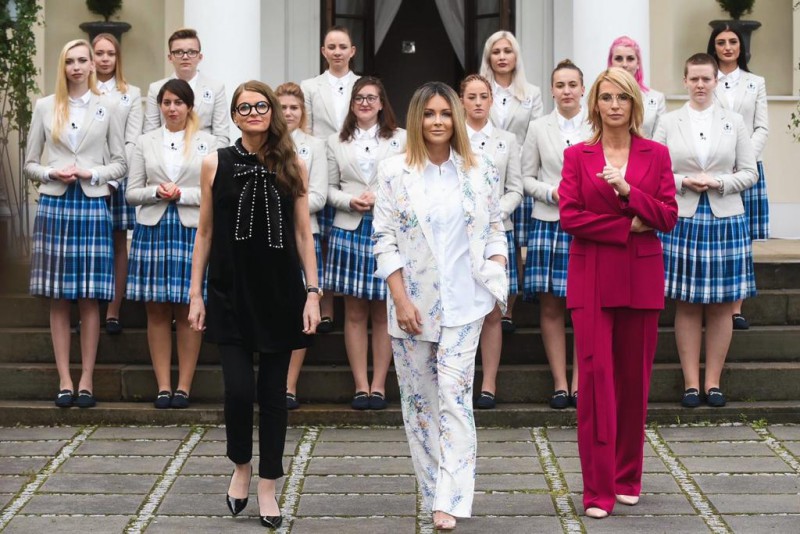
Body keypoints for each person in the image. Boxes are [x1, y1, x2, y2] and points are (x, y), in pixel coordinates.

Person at [372, 81, 508, 530]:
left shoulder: (480, 169)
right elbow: (384, 239)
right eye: (429, 113)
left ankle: (451, 497)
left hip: (466, 303)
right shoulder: (393, 171)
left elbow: (494, 227)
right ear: (417, 118)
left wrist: (495, 270)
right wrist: (400, 299)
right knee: (420, 406)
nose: (437, 121)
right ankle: (434, 493)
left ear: (457, 118)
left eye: (445, 113)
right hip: (412, 306)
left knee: (454, 398)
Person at [188, 80, 320, 529]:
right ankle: (241, 464)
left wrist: (313, 293)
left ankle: (268, 483)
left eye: (260, 105)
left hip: (281, 293)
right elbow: (205, 232)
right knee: (239, 390)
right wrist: (195, 293)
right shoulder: (214, 162)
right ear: (234, 116)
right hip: (229, 291)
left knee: (274, 394)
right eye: (244, 108)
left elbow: (303, 233)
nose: (254, 113)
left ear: (272, 111)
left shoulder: (294, 163)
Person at [558, 67, 678, 518]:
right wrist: (626, 226)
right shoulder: (578, 156)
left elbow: (667, 215)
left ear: (634, 104)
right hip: (591, 277)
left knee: (634, 381)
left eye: (622, 98)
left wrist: (629, 192)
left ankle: (627, 477)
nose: (614, 105)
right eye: (606, 97)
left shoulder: (656, 154)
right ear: (595, 104)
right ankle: (597, 490)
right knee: (594, 381)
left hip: (641, 278)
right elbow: (570, 216)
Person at [24, 39, 127, 408]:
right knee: (58, 296)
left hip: (92, 202)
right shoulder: (45, 106)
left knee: (88, 296)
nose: (78, 67)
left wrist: (92, 173)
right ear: (63, 66)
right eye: (71, 61)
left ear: (92, 65)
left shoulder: (109, 106)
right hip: (55, 203)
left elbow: (120, 163)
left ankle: (86, 379)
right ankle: (64, 379)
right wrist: (52, 172)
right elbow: (30, 163)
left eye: (83, 60)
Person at [653, 54, 757, 410]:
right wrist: (683, 181)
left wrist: (719, 182)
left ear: (716, 81)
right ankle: (690, 384)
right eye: (694, 79)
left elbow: (750, 172)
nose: (700, 85)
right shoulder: (668, 122)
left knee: (722, 305)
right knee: (686, 303)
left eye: (706, 79)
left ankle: (713, 382)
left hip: (725, 217)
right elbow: (656, 170)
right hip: (682, 216)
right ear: (685, 81)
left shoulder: (734, 122)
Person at [126, 79, 216, 409]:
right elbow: (131, 192)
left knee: (188, 307)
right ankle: (163, 385)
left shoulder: (208, 142)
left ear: (190, 106)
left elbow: (214, 190)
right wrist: (156, 192)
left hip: (191, 229)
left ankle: (184, 387)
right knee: (156, 308)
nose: (172, 108)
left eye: (179, 102)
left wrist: (182, 194)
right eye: (167, 102)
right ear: (160, 106)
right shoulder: (145, 141)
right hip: (153, 229)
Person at [326, 76, 406, 410]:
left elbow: (410, 182)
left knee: (384, 310)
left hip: (389, 229)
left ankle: (379, 385)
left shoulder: (401, 138)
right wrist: (349, 200)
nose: (365, 103)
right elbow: (327, 188)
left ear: (382, 103)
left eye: (371, 97)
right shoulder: (335, 141)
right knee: (355, 311)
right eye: (359, 98)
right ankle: (361, 385)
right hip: (350, 227)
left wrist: (383, 199)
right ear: (352, 103)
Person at [521, 59, 591, 410]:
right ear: (551, 90)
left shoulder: (596, 124)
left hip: (588, 224)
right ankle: (560, 383)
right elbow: (525, 177)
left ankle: (580, 383)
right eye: (560, 85)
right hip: (549, 220)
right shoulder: (538, 127)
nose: (566, 91)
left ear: (583, 88)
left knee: (583, 304)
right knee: (551, 305)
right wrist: (552, 192)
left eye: (572, 85)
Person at [459, 74, 522, 410]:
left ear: (492, 100)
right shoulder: (452, 137)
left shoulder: (507, 140)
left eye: (484, 96)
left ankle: (489, 383)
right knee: (462, 307)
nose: (478, 102)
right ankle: (462, 379)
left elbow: (515, 188)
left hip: (497, 231)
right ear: (462, 101)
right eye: (472, 96)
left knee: (494, 310)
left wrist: (495, 212)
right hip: (459, 233)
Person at [480, 30, 543, 332]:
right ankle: (489, 301)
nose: (502, 57)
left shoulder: (532, 93)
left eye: (507, 51)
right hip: (487, 172)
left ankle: (509, 308)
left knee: (516, 242)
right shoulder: (479, 89)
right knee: (492, 240)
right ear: (489, 57)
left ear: (516, 56)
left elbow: (535, 133)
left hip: (519, 173)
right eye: (496, 52)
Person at [708, 24, 769, 330]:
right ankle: (711, 301)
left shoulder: (756, 82)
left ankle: (736, 308)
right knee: (716, 235)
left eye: (733, 41)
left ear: (741, 47)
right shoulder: (706, 79)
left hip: (745, 169)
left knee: (741, 238)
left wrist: (742, 159)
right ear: (713, 46)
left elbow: (762, 127)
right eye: (721, 42)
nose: (728, 47)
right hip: (714, 167)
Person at [301, 25, 360, 333]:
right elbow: (307, 127)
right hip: (321, 163)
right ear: (324, 52)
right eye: (332, 47)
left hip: (351, 166)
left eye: (342, 46)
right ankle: (325, 308)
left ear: (352, 51)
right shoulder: (310, 86)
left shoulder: (362, 85)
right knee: (321, 238)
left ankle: (342, 299)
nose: (337, 52)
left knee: (340, 238)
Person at [276, 81, 328, 410]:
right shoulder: (263, 143)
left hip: (304, 232)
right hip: (269, 236)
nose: (288, 113)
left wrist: (286, 205)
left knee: (300, 308)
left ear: (303, 112)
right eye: (282, 107)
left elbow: (319, 195)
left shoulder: (315, 146)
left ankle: (289, 385)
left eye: (294, 107)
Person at [92, 33, 143, 335]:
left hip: (118, 175)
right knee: (90, 245)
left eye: (110, 53)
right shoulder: (80, 90)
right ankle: (88, 311)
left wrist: (114, 177)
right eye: (99, 53)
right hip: (86, 177)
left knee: (118, 243)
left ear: (117, 57)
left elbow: (132, 140)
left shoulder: (131, 93)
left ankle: (113, 310)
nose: (105, 59)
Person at [144, 28, 229, 147]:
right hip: (166, 152)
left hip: (205, 154)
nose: (185, 57)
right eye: (178, 52)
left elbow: (222, 136)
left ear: (200, 57)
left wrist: (208, 157)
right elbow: (150, 133)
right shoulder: (156, 89)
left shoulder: (215, 88)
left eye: (191, 52)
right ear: (170, 57)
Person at [607, 36, 666, 139]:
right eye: (619, 59)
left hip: (647, 149)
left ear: (638, 63)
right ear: (611, 63)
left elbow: (661, 139)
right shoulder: (599, 96)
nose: (624, 64)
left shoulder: (657, 98)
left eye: (630, 59)